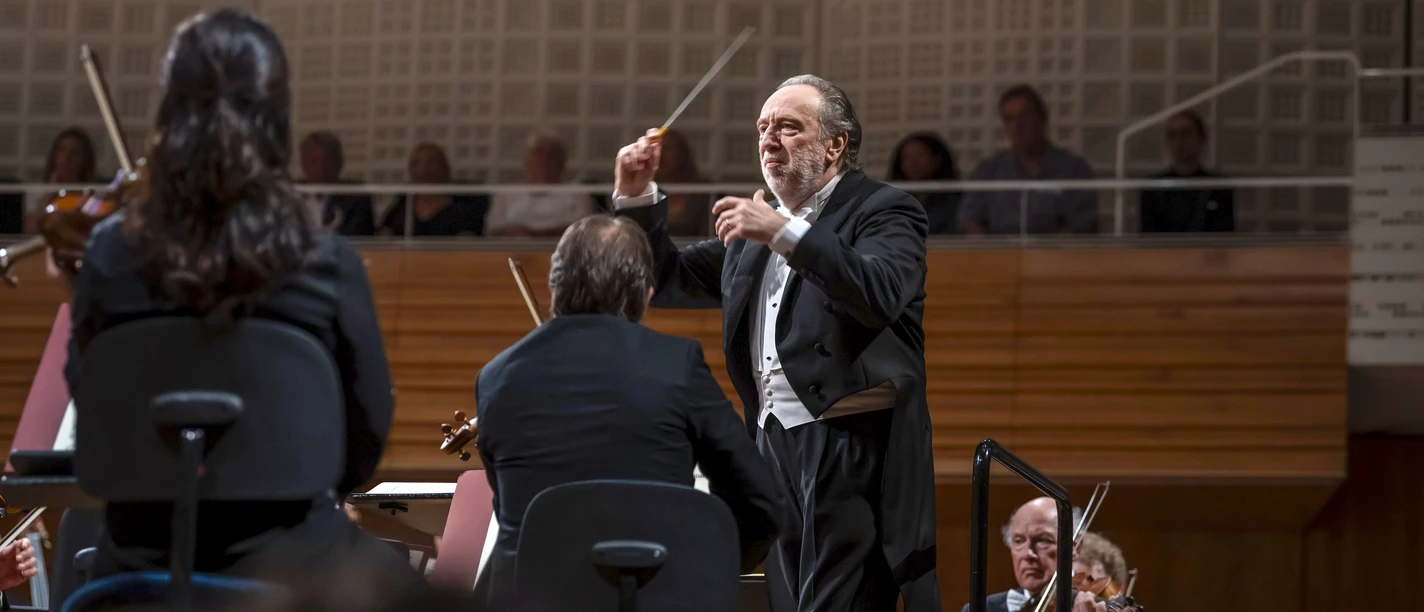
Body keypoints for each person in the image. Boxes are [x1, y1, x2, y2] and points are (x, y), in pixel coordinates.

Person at [63, 8, 412, 586]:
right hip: (294, 579)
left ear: (167, 115)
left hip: (136, 573)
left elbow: (94, 406)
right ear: (278, 121)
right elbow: (361, 447)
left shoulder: (107, 257)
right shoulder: (326, 264)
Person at [613, 74, 940, 612]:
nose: (769, 139)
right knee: (787, 600)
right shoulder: (755, 231)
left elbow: (880, 292)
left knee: (840, 600)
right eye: (763, 128)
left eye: (789, 127)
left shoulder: (885, 210)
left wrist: (782, 233)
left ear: (835, 144)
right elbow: (663, 277)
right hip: (771, 442)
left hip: (849, 441)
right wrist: (635, 194)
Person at [474, 214, 787, 609]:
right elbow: (763, 502)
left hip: (533, 597)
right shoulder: (677, 364)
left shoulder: (495, 378)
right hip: (657, 594)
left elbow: (509, 510)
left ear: (555, 286)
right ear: (647, 294)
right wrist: (701, 561)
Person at [958, 85, 1097, 235]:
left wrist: (1049, 253)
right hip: (999, 254)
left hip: (1055, 254)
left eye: (1025, 116)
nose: (1017, 126)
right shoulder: (989, 169)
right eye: (1009, 119)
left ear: (1042, 117)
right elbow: (968, 218)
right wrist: (989, 249)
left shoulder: (1073, 169)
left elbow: (1083, 222)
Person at [961, 497, 1103, 612]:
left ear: (1075, 549)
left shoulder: (1094, 603)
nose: (1028, 553)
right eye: (1018, 541)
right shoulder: (981, 609)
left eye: (1042, 540)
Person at [1138, 109, 1235, 233]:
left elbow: (1224, 235)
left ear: (1201, 138)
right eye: (1173, 135)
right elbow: (1148, 236)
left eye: (1186, 133)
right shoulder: (1153, 187)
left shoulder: (1219, 186)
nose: (1179, 142)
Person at [483, 132, 597, 237]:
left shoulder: (578, 192)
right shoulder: (506, 192)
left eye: (552, 154)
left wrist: (544, 233)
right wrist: (518, 232)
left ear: (562, 161)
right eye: (538, 153)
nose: (544, 160)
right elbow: (492, 228)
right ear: (527, 160)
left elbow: (585, 229)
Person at [380, 142, 487, 237]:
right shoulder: (402, 205)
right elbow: (383, 237)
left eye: (430, 163)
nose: (422, 170)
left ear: (444, 168)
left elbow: (468, 244)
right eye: (415, 164)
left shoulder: (463, 210)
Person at [297, 131, 376, 236]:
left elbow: (356, 239)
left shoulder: (356, 196)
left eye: (327, 161)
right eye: (314, 161)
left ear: (340, 162)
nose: (321, 168)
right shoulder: (288, 193)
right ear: (303, 163)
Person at [26, 127, 98, 234]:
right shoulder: (35, 192)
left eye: (74, 152)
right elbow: (31, 228)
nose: (66, 157)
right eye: (62, 150)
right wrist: (50, 191)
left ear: (84, 159)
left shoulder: (93, 195)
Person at [889, 132, 961, 234]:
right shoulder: (890, 199)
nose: (912, 162)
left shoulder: (952, 200)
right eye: (906, 157)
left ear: (937, 160)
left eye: (919, 155)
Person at [655, 128, 714, 236]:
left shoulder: (703, 193)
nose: (660, 155)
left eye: (667, 149)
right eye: (657, 149)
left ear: (682, 154)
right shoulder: (645, 190)